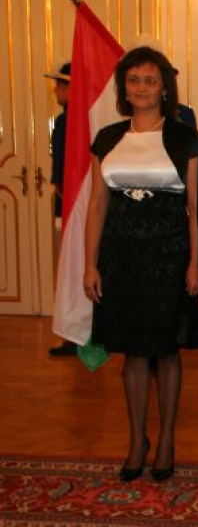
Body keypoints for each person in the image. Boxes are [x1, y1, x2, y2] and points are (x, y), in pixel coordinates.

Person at [82, 46, 198, 482]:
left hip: (169, 258)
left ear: (164, 88)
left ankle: (166, 440)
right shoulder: (107, 138)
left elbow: (196, 208)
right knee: (132, 353)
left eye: (151, 80)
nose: (142, 88)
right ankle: (137, 441)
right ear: (124, 87)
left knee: (166, 351)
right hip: (120, 259)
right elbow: (97, 206)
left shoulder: (184, 138)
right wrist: (90, 265)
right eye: (134, 80)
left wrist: (195, 263)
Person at [45, 61, 77, 357]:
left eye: (59, 85)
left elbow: (66, 171)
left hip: (71, 207)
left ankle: (75, 335)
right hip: (70, 205)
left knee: (72, 271)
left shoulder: (69, 122)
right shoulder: (66, 120)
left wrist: (66, 201)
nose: (55, 90)